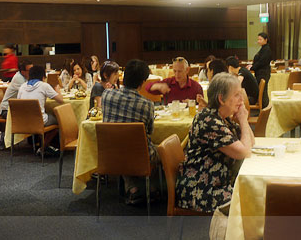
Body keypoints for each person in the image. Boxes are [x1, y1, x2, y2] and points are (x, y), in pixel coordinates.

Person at [176, 73, 255, 212]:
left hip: (217, 183)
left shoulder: (222, 117)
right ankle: (234, 234)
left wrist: (242, 120)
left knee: (254, 194)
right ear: (221, 99)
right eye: (237, 95)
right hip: (200, 188)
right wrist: (243, 120)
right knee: (250, 199)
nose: (242, 100)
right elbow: (244, 152)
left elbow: (250, 142)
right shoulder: (208, 120)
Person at [101, 59, 158, 204]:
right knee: (157, 149)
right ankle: (152, 187)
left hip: (110, 154)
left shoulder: (106, 95)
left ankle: (133, 188)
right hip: (140, 156)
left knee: (122, 145)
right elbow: (150, 131)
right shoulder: (147, 105)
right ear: (142, 82)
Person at [17, 65, 64, 155]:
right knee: (58, 120)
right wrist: (58, 90)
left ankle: (41, 143)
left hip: (22, 122)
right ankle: (44, 147)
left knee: (46, 118)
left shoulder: (22, 87)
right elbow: (60, 100)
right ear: (43, 76)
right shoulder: (44, 86)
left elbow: (19, 103)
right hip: (39, 121)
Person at [0, 60, 34, 150]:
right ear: (23, 72)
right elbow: (29, 91)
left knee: (35, 115)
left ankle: (34, 141)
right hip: (7, 109)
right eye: (30, 70)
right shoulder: (18, 78)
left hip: (19, 108)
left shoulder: (28, 76)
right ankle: (2, 136)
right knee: (24, 118)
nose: (32, 72)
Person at [247, 32, 272, 108]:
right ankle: (264, 108)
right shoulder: (263, 48)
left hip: (263, 73)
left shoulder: (266, 49)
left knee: (263, 92)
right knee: (262, 92)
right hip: (260, 73)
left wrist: (252, 67)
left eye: (260, 39)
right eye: (258, 39)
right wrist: (252, 65)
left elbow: (262, 62)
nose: (258, 41)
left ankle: (265, 109)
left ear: (266, 40)